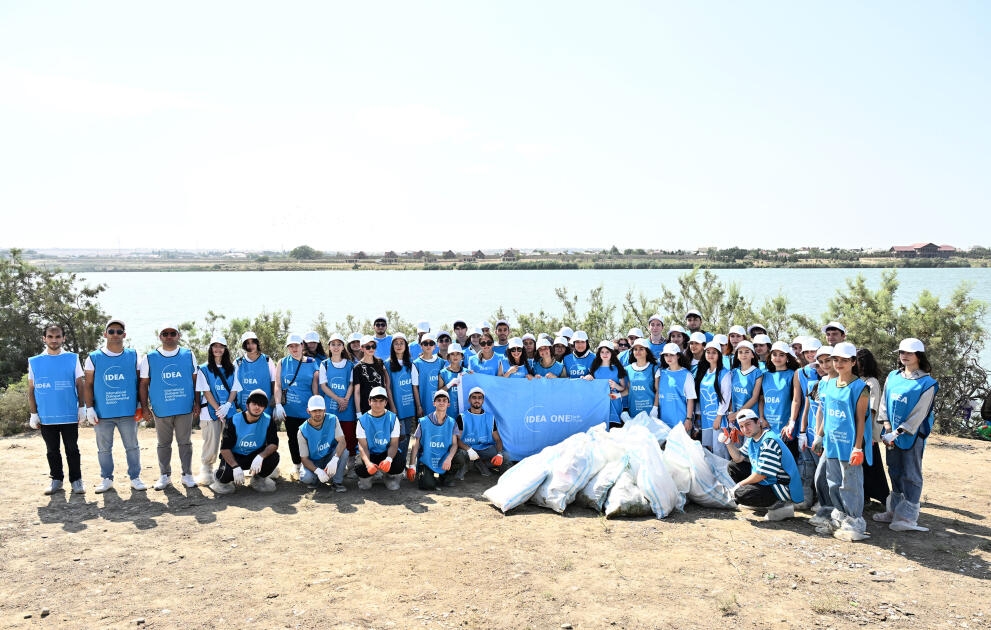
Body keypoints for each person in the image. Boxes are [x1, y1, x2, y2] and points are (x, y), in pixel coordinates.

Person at [873, 338, 938, 532]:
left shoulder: (927, 383)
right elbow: (884, 401)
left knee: (911, 474)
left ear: (919, 355)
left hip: (912, 435)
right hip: (890, 433)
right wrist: (886, 425)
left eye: (909, 353)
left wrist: (898, 431)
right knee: (894, 469)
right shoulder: (893, 376)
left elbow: (920, 413)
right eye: (902, 352)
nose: (904, 356)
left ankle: (908, 517)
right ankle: (894, 511)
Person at [809, 342, 872, 542]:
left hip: (849, 444)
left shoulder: (860, 387)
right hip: (832, 442)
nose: (838, 364)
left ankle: (854, 521)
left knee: (850, 483)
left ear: (854, 362)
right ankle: (839, 516)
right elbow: (827, 414)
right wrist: (820, 435)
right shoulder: (826, 384)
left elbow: (861, 419)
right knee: (833, 482)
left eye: (844, 360)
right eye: (836, 360)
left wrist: (858, 447)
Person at [84, 318, 146, 493]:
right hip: (103, 413)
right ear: (105, 334)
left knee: (132, 446)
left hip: (127, 411)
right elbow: (87, 384)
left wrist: (141, 405)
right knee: (104, 449)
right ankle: (106, 478)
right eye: (111, 331)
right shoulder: (93, 357)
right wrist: (89, 408)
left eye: (119, 332)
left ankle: (135, 477)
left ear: (124, 335)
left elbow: (140, 381)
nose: (115, 334)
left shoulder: (133, 355)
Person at [29, 323, 87, 494]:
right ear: (44, 338)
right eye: (50, 336)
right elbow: (31, 389)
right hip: (47, 415)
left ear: (63, 338)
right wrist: (33, 413)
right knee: (52, 450)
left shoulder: (72, 358)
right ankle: (56, 480)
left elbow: (79, 383)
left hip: (69, 413)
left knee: (72, 449)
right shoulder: (34, 361)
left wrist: (82, 407)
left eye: (57, 336)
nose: (54, 340)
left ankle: (76, 480)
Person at [139, 323, 198, 490]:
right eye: (165, 333)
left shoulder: (188, 354)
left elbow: (195, 380)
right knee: (163, 444)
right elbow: (143, 384)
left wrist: (197, 403)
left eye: (173, 333)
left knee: (185, 443)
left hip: (184, 407)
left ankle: (187, 475)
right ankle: (165, 476)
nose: (169, 336)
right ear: (160, 337)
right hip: (161, 408)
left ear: (178, 336)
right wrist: (144, 407)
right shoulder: (150, 357)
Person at [723, 409, 804, 521]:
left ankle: (780, 505)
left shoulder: (769, 441)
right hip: (768, 480)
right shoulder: (752, 439)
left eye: (748, 424)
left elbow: (761, 475)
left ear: (758, 422)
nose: (745, 429)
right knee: (733, 467)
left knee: (741, 494)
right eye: (741, 426)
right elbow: (738, 458)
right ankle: (760, 501)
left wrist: (739, 485)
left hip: (781, 486)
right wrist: (727, 442)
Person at [209, 389, 280, 494]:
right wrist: (235, 466)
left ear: (264, 408)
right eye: (254, 403)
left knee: (274, 457)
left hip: (255, 456)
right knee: (225, 474)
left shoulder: (268, 420)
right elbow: (225, 449)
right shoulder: (234, 420)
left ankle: (258, 479)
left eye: (261, 405)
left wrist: (261, 456)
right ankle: (218, 475)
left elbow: (273, 444)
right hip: (235, 456)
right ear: (247, 405)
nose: (257, 407)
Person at [194, 335, 241, 486]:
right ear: (211, 348)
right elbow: (206, 391)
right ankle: (206, 471)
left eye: (221, 346)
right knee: (211, 441)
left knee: (229, 441)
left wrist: (227, 405)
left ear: (225, 349)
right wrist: (217, 409)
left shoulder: (232, 368)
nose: (218, 349)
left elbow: (234, 388)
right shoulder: (203, 368)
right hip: (210, 412)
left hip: (229, 411)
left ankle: (227, 469)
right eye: (215, 346)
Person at [272, 333, 320, 479]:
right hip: (290, 410)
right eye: (291, 346)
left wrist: (315, 407)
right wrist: (278, 404)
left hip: (306, 410)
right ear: (288, 348)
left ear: (302, 346)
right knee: (292, 438)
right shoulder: (282, 362)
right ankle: (297, 466)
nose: (294, 349)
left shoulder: (312, 362)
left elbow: (315, 388)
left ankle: (310, 466)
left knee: (309, 439)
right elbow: (278, 385)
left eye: (296, 345)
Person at [406, 389, 462, 489]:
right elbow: (416, 443)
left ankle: (446, 477)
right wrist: (411, 465)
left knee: (462, 455)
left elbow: (454, 444)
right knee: (427, 485)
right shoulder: (424, 421)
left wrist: (449, 458)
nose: (441, 402)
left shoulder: (452, 422)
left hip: (444, 457)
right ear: (434, 403)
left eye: (444, 400)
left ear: (448, 404)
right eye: (439, 400)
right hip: (428, 460)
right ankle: (430, 476)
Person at [319, 333, 357, 477]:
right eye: (333, 344)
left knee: (349, 435)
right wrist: (338, 399)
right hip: (331, 406)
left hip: (347, 406)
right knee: (331, 436)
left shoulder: (350, 364)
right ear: (329, 347)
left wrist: (345, 399)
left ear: (343, 347)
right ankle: (332, 465)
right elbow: (323, 385)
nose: (336, 347)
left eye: (339, 344)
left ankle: (351, 466)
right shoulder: (325, 364)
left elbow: (352, 384)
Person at [857, 347, 890, 508]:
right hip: (857, 431)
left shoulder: (871, 382)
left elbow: (871, 409)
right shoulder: (856, 380)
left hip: (867, 432)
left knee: (871, 467)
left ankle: (879, 497)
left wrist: (866, 434)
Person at [355, 386, 403, 491]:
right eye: (374, 401)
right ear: (369, 402)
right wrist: (368, 464)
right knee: (360, 467)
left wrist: (389, 460)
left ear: (386, 402)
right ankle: (368, 477)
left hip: (385, 452)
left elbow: (394, 444)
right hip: (370, 453)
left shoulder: (393, 418)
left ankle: (388, 476)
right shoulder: (362, 420)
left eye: (381, 401)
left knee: (398, 462)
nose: (378, 404)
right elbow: (363, 446)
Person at [298, 395, 348, 491]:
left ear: (325, 409)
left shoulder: (333, 419)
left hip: (329, 457)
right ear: (308, 411)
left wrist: (335, 459)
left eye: (320, 410)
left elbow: (342, 442)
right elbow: (304, 459)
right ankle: (316, 479)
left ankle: (337, 482)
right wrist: (318, 471)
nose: (317, 413)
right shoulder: (302, 430)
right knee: (306, 478)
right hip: (314, 462)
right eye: (314, 411)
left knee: (344, 452)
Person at [455, 387, 506, 478]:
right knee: (460, 455)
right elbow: (457, 439)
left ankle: (478, 465)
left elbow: (497, 439)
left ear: (483, 400)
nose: (477, 400)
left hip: (485, 449)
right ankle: (467, 466)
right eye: (474, 397)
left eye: (480, 398)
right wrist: (469, 450)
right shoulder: (462, 417)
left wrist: (499, 454)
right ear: (469, 400)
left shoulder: (490, 417)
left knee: (505, 457)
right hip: (468, 449)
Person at [759, 341, 798, 459]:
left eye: (782, 355)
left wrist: (789, 423)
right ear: (770, 357)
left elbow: (796, 401)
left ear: (787, 357)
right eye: (774, 354)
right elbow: (761, 399)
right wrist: (761, 419)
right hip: (767, 427)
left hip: (785, 428)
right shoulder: (765, 375)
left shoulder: (793, 374)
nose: (777, 358)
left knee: (786, 461)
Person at [694, 341, 733, 458]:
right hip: (706, 419)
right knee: (710, 450)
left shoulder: (724, 373)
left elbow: (726, 397)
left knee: (720, 451)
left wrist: (719, 417)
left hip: (719, 419)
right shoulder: (704, 373)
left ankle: (725, 475)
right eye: (708, 352)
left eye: (714, 352)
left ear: (719, 355)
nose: (710, 355)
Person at [386, 333, 417, 470]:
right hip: (396, 407)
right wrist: (392, 406)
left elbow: (415, 386)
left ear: (406, 346)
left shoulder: (411, 363)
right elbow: (388, 387)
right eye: (396, 343)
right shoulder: (387, 364)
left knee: (407, 437)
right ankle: (396, 465)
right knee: (399, 436)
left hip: (409, 406)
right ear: (392, 346)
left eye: (401, 343)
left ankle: (402, 465)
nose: (399, 346)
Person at [584, 341, 627, 426]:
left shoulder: (618, 368)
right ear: (599, 354)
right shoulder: (594, 369)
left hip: (615, 403)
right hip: (600, 405)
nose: (605, 354)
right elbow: (591, 388)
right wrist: (587, 378)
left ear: (612, 353)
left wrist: (616, 385)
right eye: (602, 352)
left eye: (607, 352)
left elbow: (623, 388)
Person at [657, 343, 696, 433]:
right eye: (666, 355)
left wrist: (688, 419)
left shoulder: (687, 375)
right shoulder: (661, 373)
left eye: (672, 355)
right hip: (663, 423)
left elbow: (690, 399)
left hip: (680, 422)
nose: (669, 358)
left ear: (678, 356)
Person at [235, 332, 275, 411]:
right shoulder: (238, 362)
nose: (251, 346)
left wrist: (275, 399)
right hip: (244, 405)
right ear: (244, 345)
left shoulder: (267, 360)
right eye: (248, 343)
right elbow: (233, 384)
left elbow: (274, 381)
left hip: (264, 405)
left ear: (257, 343)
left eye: (253, 342)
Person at [413, 332, 444, 417]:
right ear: (421, 346)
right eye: (425, 343)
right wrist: (419, 406)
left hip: (440, 403)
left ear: (435, 346)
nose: (428, 346)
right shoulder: (416, 364)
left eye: (431, 343)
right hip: (425, 403)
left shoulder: (440, 362)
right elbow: (415, 387)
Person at [626, 339, 659, 418]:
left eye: (641, 349)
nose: (638, 351)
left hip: (650, 412)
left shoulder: (654, 368)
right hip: (633, 411)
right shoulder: (627, 369)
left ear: (647, 351)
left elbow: (658, 391)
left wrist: (655, 408)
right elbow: (627, 390)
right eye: (635, 349)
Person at [439, 343, 467, 413]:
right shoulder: (443, 373)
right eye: (452, 354)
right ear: (448, 357)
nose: (455, 356)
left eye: (458, 353)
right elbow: (439, 393)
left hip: (464, 411)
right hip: (448, 411)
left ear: (461, 356)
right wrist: (449, 384)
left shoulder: (466, 372)